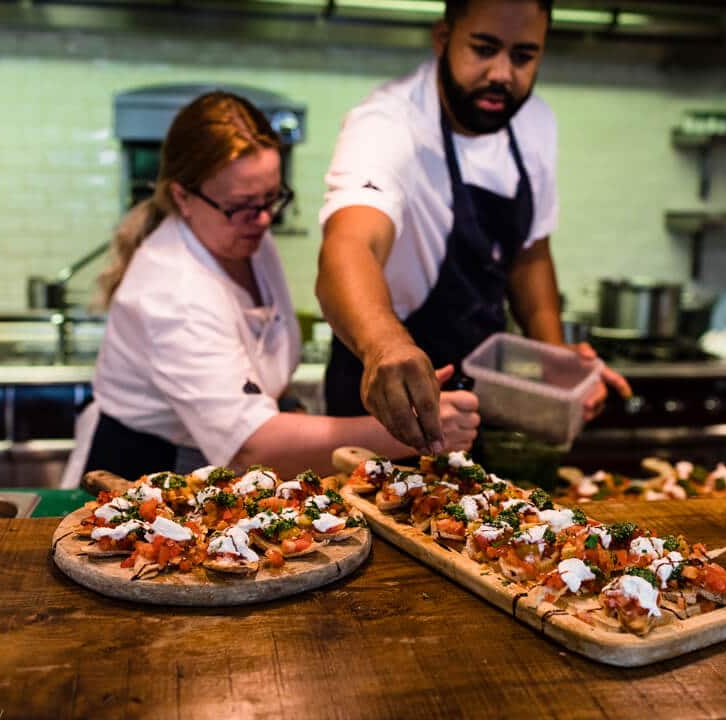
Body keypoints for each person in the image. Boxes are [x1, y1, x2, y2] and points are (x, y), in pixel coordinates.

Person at [61, 91, 479, 487]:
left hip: (215, 473)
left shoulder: (244, 238)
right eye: (243, 205)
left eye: (270, 199)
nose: (262, 220)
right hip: (143, 476)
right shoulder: (171, 291)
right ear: (182, 197)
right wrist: (409, 430)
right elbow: (250, 447)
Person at [316, 0, 631, 453]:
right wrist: (384, 344)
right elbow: (349, 245)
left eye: (523, 56)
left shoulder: (535, 123)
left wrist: (556, 356)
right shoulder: (387, 124)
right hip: (382, 397)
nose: (502, 74)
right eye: (484, 49)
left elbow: (530, 254)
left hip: (473, 400)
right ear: (443, 38)